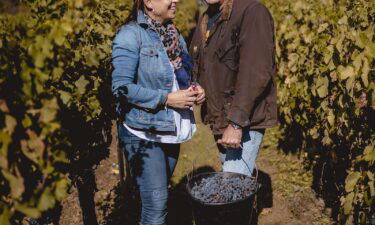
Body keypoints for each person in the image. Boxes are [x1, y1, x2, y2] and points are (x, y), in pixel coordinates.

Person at [111, 0, 205, 224]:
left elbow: (181, 74)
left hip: (169, 128)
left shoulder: (172, 32)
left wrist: (194, 88)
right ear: (149, 2)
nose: (176, 0)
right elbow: (121, 88)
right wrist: (167, 99)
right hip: (143, 131)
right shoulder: (130, 35)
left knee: (159, 197)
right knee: (156, 205)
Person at [190, 0, 277, 176]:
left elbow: (255, 72)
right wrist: (198, 86)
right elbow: (203, 65)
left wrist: (236, 124)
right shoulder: (207, 17)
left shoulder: (252, 12)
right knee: (234, 182)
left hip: (244, 120)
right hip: (220, 119)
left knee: (232, 185)